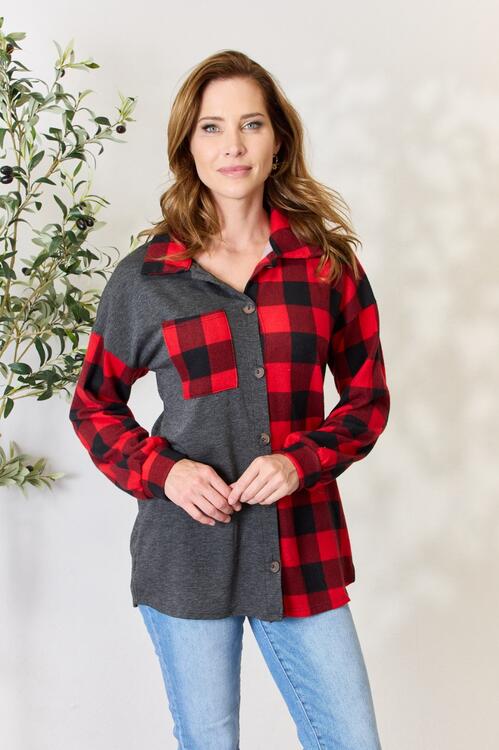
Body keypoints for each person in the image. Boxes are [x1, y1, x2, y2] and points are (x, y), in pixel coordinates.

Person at [69, 48, 390, 750]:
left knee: (352, 740)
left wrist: (300, 462)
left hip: (301, 548)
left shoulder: (327, 267)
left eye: (251, 124)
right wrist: (167, 472)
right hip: (187, 554)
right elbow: (93, 405)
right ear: (189, 146)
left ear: (278, 141)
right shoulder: (147, 278)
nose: (233, 145)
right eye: (211, 127)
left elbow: (367, 400)